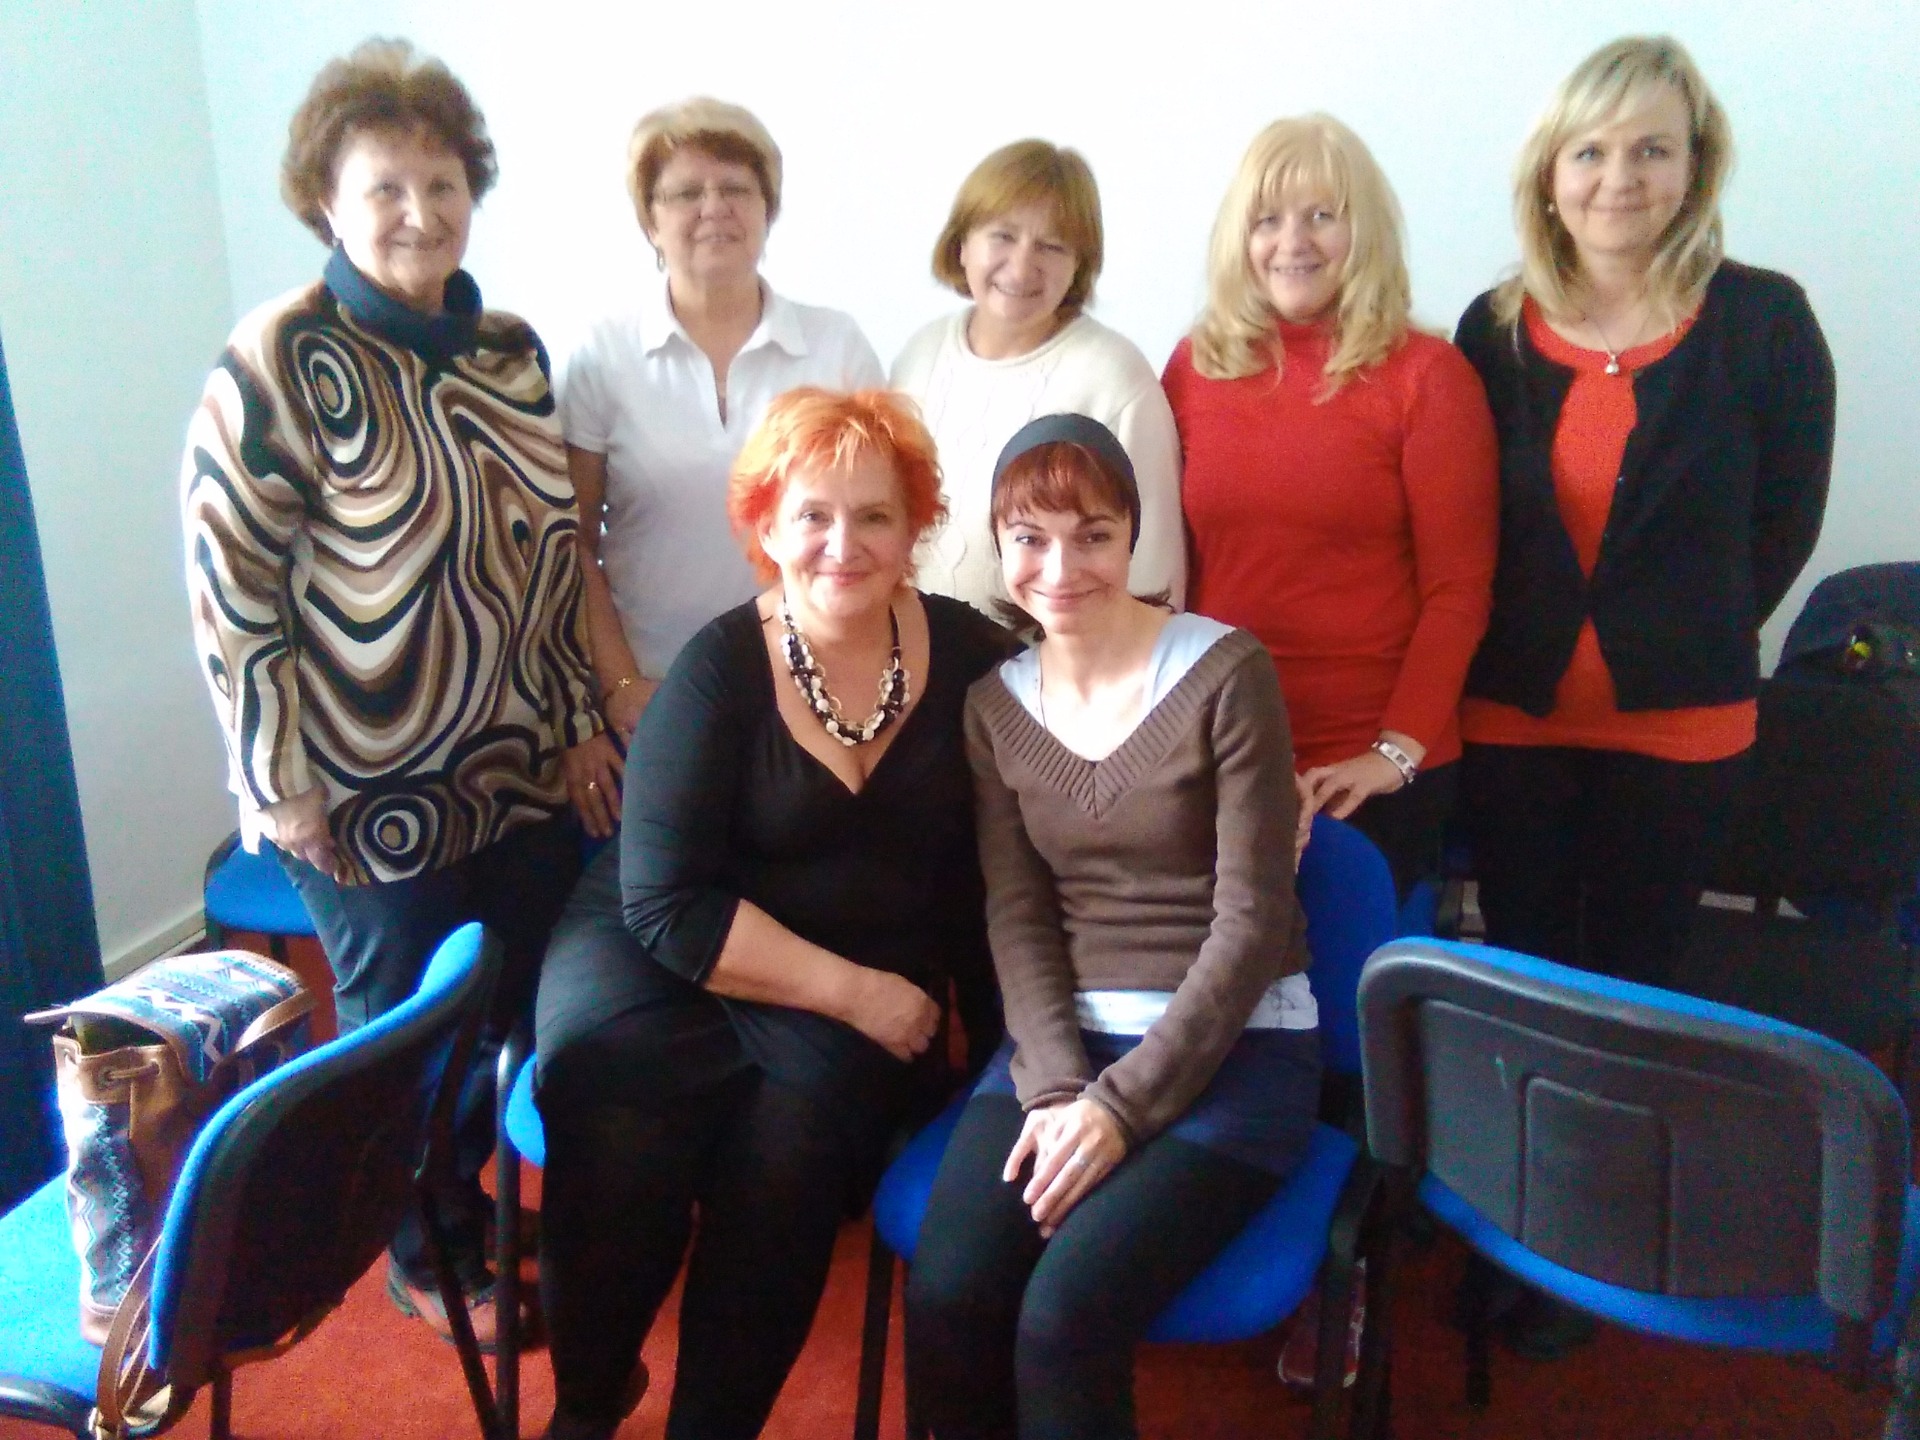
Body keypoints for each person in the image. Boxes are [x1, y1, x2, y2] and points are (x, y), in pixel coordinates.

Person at [180, 38, 618, 1345]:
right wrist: (279, 783)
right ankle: (425, 1251)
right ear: (327, 199)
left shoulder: (508, 350)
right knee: (411, 1029)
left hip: (520, 764)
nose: (420, 212)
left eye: (442, 184)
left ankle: (478, 1198)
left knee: (525, 1000)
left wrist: (579, 722)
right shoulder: (278, 357)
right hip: (358, 786)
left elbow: (553, 553)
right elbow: (230, 585)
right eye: (386, 187)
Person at [1450, 33, 1835, 1359]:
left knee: (1632, 998)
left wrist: (1679, 637)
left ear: (1695, 164)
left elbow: (1782, 528)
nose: (1621, 177)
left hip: (1681, 734)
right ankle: (1510, 1224)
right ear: (1551, 175)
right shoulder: (1492, 330)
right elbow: (1472, 526)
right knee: (1522, 986)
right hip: (1513, 724)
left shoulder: (1766, 323)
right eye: (1593, 150)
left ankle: (1592, 1258)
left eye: (1652, 148)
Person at [533, 389, 1014, 1440]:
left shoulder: (972, 655)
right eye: (813, 515)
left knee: (787, 1156)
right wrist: (864, 998)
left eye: (874, 515)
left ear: (915, 526)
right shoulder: (716, 672)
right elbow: (665, 902)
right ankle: (586, 1402)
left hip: (852, 958)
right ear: (765, 524)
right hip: (664, 951)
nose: (844, 544)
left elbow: (1088, 707)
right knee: (618, 1117)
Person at [905, 415, 1322, 1440]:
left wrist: (1120, 1112)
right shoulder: (994, 706)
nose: (1061, 568)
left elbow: (1253, 920)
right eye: (1030, 538)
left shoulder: (1226, 671)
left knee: (1064, 1319)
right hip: (1067, 1046)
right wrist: (1057, 1088)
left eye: (1093, 535)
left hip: (1236, 1052)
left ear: (1135, 534)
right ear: (999, 545)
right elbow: (1017, 915)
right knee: (951, 1292)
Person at [1163, 115, 1499, 899]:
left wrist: (1393, 754)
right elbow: (1167, 568)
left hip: (1369, 771)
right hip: (1227, 754)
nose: (1293, 242)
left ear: (1364, 231)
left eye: (1322, 215)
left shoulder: (1429, 376)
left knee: (1359, 976)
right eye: (1268, 220)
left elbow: (1459, 592)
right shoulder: (1194, 366)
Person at [563, 97, 884, 748]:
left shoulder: (837, 346)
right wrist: (619, 684)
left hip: (811, 691)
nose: (715, 208)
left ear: (768, 210)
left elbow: (883, 526)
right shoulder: (604, 354)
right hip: (653, 696)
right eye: (686, 193)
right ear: (651, 222)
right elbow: (573, 541)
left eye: (737, 189)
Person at [892, 140, 1185, 616]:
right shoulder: (919, 356)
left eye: (1051, 246)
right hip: (913, 649)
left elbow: (1153, 577)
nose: (1023, 265)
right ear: (962, 245)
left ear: (1078, 266)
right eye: (1003, 236)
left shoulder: (1114, 378)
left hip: (1050, 661)